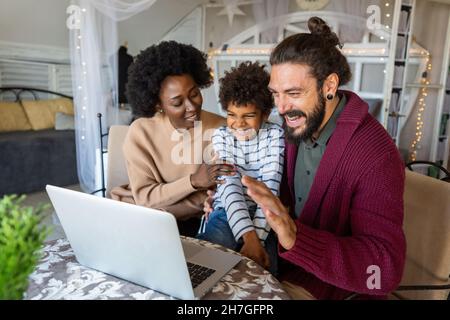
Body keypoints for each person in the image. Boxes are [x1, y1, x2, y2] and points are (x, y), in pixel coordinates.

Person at [205, 17, 406, 299]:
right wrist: (225, 205)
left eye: (294, 93)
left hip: (324, 287)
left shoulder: (374, 154)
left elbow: (384, 271)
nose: (281, 107)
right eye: (275, 94)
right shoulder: (292, 130)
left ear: (329, 85)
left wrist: (297, 238)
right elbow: (273, 196)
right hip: (275, 265)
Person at [111, 41, 235, 237]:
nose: (191, 106)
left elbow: (218, 196)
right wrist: (194, 182)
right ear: (158, 104)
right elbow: (144, 197)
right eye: (177, 102)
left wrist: (163, 208)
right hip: (145, 219)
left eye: (194, 94)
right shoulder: (140, 132)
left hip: (194, 222)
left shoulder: (221, 129)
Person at [197, 62, 284, 275]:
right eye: (232, 114)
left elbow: (270, 189)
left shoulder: (275, 135)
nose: (238, 123)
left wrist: (258, 241)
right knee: (205, 266)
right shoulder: (222, 135)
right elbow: (229, 185)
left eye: (248, 116)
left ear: (265, 114)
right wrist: (249, 237)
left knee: (266, 273)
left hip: (264, 214)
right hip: (227, 209)